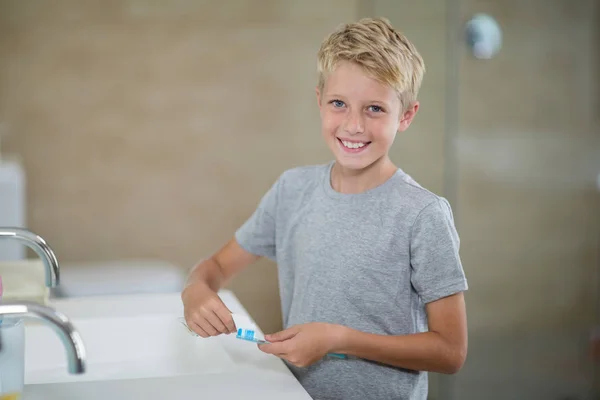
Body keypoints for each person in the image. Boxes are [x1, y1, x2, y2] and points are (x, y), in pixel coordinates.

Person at [181, 17, 468, 400]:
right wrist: (195, 291)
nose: (353, 125)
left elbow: (450, 351)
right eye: (339, 104)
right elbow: (214, 268)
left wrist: (341, 339)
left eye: (375, 109)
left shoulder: (422, 214)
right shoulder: (292, 191)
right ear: (319, 101)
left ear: (407, 115)